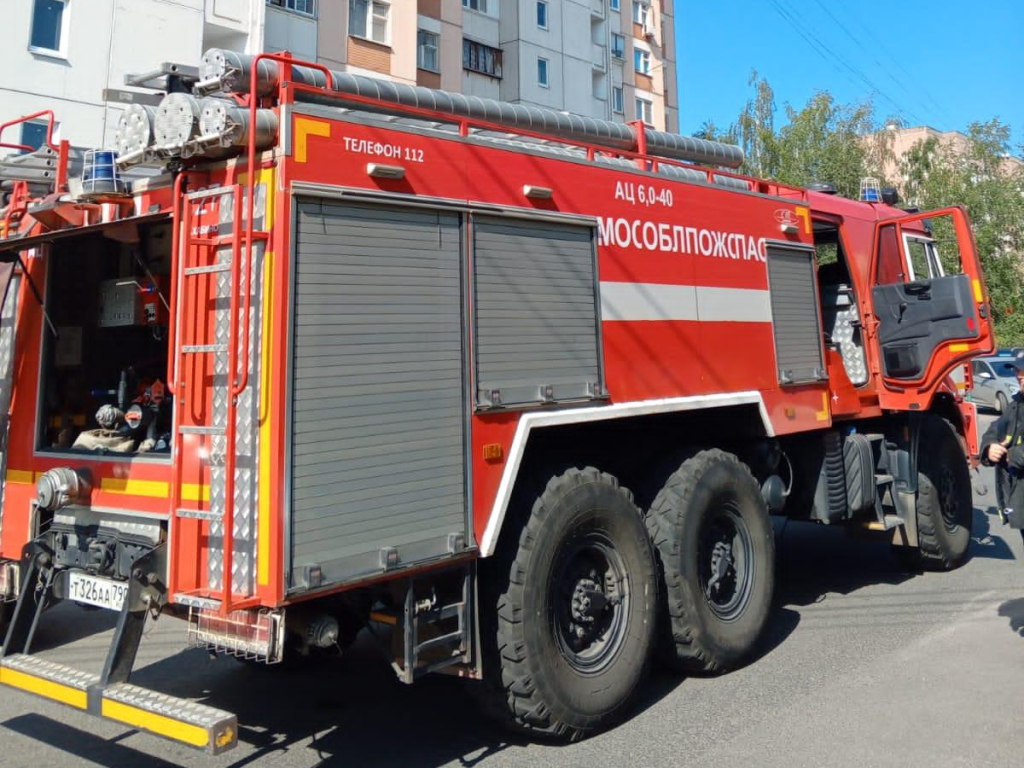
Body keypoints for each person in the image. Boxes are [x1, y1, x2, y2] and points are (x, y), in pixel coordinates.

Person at [980, 351, 1024, 543]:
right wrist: (990, 447)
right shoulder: (1016, 405)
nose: (1019, 375)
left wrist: (1011, 455)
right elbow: (993, 430)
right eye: (1017, 370)